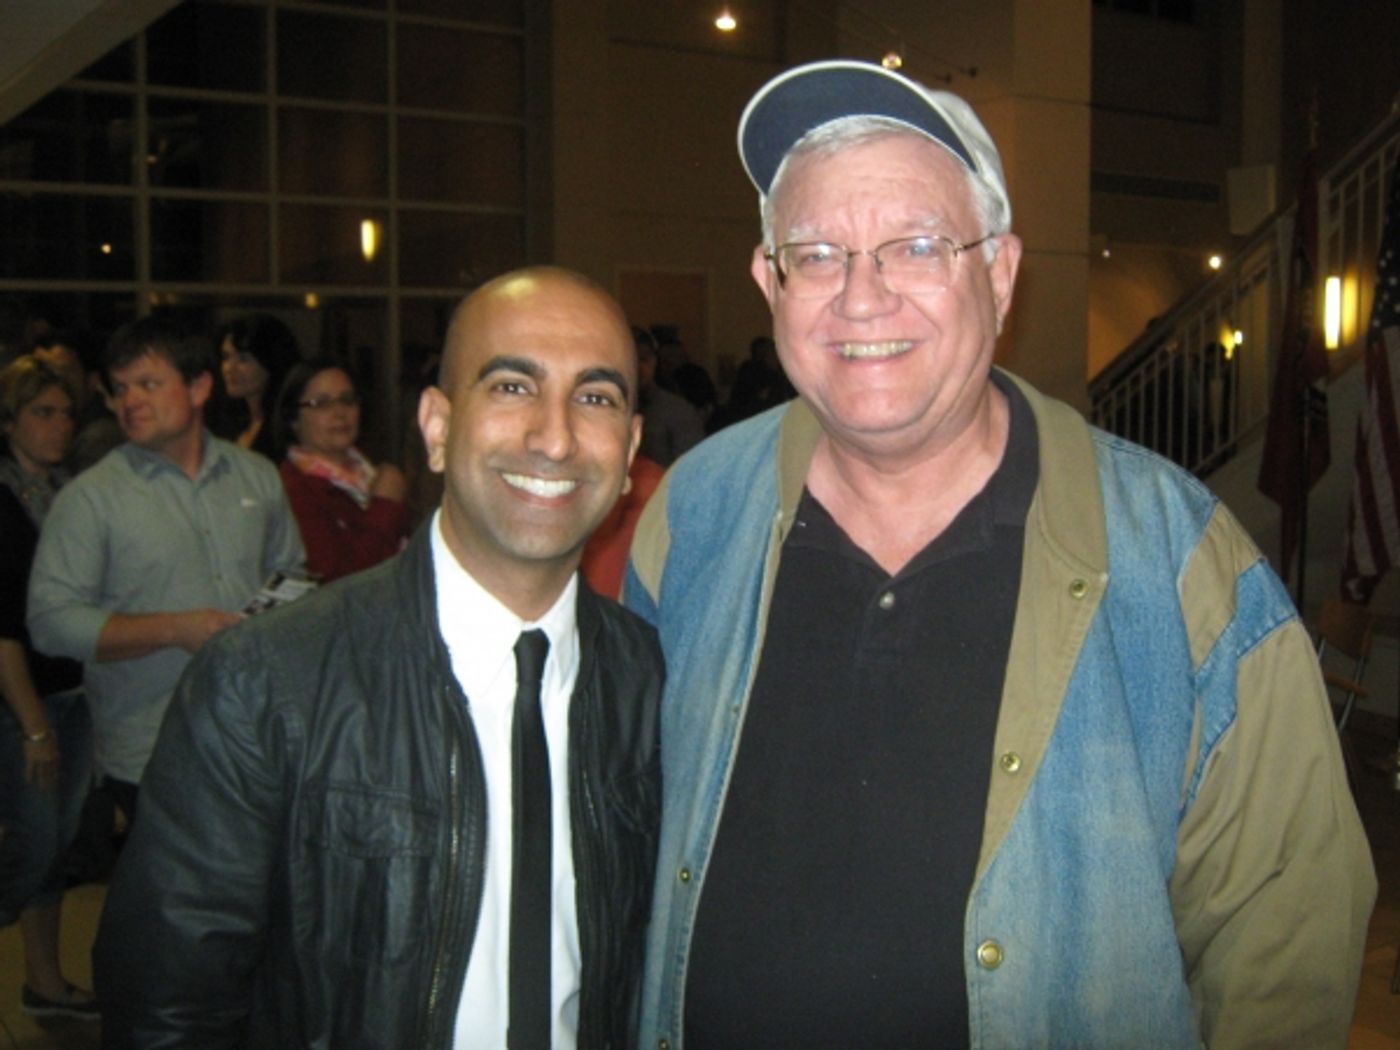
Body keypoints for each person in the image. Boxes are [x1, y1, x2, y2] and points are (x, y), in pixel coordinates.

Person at [625, 60, 1375, 1050]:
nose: (860, 298)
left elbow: (1285, 932)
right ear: (769, 280)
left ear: (999, 271)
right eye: (815, 254)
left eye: (916, 246)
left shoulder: (1175, 555)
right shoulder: (693, 513)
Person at [93, 267, 663, 1049]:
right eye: (510, 387)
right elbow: (167, 1014)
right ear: (436, 425)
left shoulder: (651, 680)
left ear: (629, 446)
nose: (555, 436)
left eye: (595, 397)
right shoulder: (266, 683)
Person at [27, 315, 305, 823]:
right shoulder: (91, 499)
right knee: (178, 901)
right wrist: (177, 629)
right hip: (152, 750)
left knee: (258, 900)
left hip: (255, 736)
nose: (130, 401)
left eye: (148, 384)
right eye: (120, 389)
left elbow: (292, 576)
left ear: (199, 387)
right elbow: (50, 622)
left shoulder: (256, 476)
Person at [0, 357, 98, 1021]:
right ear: (10, 423)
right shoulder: (4, 501)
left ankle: (45, 980)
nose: (59, 426)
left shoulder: (71, 495)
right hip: (21, 700)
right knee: (34, 843)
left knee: (58, 845)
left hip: (75, 690)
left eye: (66, 412)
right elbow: (3, 629)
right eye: (43, 413)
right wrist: (34, 724)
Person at [274, 356, 410, 581]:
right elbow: (340, 580)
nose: (339, 413)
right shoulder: (294, 489)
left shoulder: (371, 473)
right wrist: (385, 505)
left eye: (347, 400)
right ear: (293, 419)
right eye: (322, 404)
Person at [30, 328, 124, 473]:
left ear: (93, 381)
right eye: (40, 374)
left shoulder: (99, 440)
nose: (53, 383)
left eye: (63, 372)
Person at [216, 313, 302, 459]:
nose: (229, 368)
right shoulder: (227, 423)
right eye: (226, 357)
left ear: (270, 362)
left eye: (243, 359)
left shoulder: (288, 428)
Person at [634, 327, 704, 467]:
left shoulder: (677, 411)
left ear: (654, 361)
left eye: (643, 359)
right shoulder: (603, 410)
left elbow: (692, 470)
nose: (637, 367)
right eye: (630, 360)